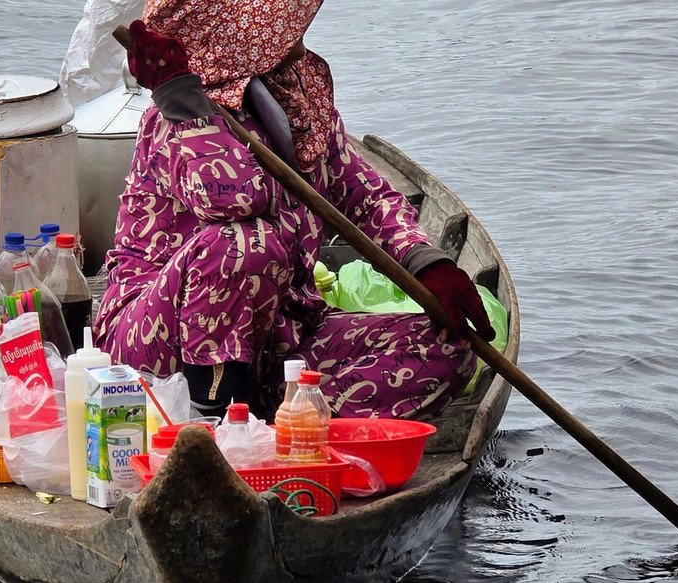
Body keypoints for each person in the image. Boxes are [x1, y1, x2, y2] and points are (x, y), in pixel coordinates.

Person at [92, 0, 495, 421]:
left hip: (281, 338)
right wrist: (183, 101)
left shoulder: (291, 100)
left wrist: (427, 264)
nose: (298, 31)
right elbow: (234, 199)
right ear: (237, 36)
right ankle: (211, 427)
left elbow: (363, 191)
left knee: (450, 351)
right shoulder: (171, 117)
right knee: (246, 243)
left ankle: (287, 426)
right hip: (159, 348)